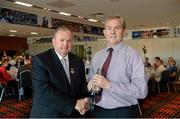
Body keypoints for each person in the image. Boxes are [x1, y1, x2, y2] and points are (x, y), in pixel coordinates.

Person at [87, 16, 148, 118]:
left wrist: (109, 85)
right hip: (97, 111)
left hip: (122, 112)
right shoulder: (97, 56)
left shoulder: (133, 56)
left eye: (117, 28)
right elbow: (91, 84)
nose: (112, 32)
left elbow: (141, 91)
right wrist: (90, 87)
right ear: (104, 32)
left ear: (124, 32)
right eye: (109, 28)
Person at [30, 26, 90, 118]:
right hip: (49, 114)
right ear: (54, 42)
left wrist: (90, 87)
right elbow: (44, 91)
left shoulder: (78, 61)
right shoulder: (40, 60)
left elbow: (80, 86)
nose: (65, 44)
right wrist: (74, 104)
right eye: (62, 40)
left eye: (69, 40)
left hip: (73, 114)